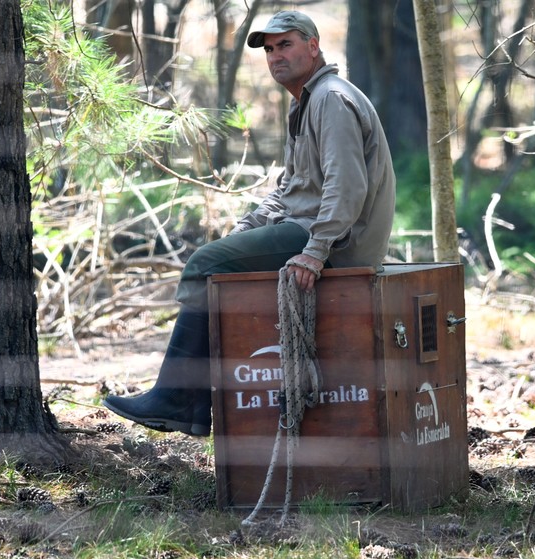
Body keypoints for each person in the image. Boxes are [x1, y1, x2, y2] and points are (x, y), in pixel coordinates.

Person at [102, 10, 396, 436]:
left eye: (287, 44)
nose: (276, 56)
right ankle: (186, 401)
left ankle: (177, 400)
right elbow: (290, 187)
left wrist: (315, 252)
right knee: (220, 258)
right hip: (316, 227)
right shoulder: (307, 101)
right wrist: (249, 227)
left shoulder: (331, 98)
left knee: (206, 264)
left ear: (313, 46)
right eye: (270, 49)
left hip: (339, 240)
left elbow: (346, 187)